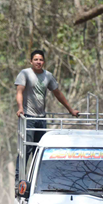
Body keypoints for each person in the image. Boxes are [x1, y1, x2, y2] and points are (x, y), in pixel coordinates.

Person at [15, 50, 79, 180]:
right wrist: (20, 108)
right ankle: (19, 178)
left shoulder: (48, 76)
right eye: (36, 59)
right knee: (26, 149)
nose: (38, 62)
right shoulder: (25, 74)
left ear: (44, 62)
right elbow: (19, 91)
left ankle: (37, 179)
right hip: (28, 117)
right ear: (31, 61)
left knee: (40, 150)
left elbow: (57, 93)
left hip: (41, 118)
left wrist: (70, 110)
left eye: (41, 60)